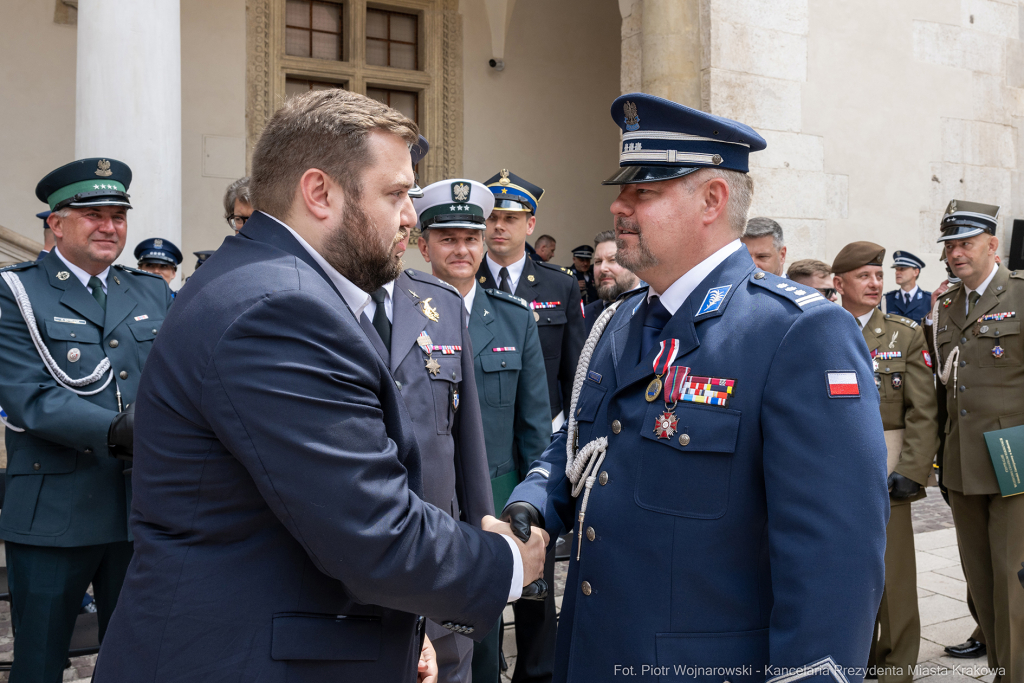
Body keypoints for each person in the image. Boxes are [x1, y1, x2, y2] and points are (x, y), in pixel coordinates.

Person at [93, 89, 547, 683]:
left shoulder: (265, 282)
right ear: (320, 192)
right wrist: (508, 560)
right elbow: (373, 532)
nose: (411, 217)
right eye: (395, 194)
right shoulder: (280, 307)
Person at [502, 92, 889, 682]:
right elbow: (585, 441)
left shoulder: (795, 332)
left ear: (713, 200)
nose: (617, 206)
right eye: (622, 190)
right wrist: (535, 497)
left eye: (643, 192)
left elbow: (834, 559)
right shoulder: (620, 319)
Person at [0, 157, 172, 683]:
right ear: (55, 222)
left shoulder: (150, 291)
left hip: (140, 511)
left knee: (141, 657)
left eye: (118, 216)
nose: (109, 226)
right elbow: (29, 395)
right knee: (40, 661)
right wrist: (118, 430)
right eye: (92, 214)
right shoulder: (16, 293)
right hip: (56, 510)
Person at [414, 178, 552, 683]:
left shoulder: (515, 321)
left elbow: (535, 431)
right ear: (423, 243)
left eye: (471, 237)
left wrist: (532, 514)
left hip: (494, 505)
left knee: (488, 645)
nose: (462, 248)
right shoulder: (396, 318)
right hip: (424, 506)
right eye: (447, 237)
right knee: (423, 636)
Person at [373, 182, 494, 682]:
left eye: (407, 209)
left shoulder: (438, 304)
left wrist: (483, 545)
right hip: (368, 568)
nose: (402, 219)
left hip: (443, 557)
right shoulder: (317, 305)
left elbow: (469, 447)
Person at [476, 168, 581, 683]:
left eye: (510, 219)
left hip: (541, 443)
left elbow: (574, 370)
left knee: (535, 574)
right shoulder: (462, 285)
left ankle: (536, 671)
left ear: (529, 223)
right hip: (487, 440)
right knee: (487, 566)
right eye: (492, 218)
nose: (499, 228)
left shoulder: (560, 286)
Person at [832, 241, 939, 683]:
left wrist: (912, 471)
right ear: (839, 284)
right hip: (832, 476)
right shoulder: (820, 328)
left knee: (894, 579)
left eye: (879, 275)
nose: (876, 282)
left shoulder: (903, 333)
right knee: (841, 573)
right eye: (864, 276)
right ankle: (858, 655)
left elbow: (923, 409)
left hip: (885, 475)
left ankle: (897, 667)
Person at [929, 199, 1024, 683]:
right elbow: (944, 391)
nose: (955, 253)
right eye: (950, 245)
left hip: (1016, 462)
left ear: (993, 245)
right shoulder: (946, 306)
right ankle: (1003, 667)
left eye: (965, 243)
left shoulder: (1021, 295)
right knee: (981, 581)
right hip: (963, 463)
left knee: (1012, 579)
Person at [585, 230, 640, 333]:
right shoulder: (586, 314)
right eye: (598, 261)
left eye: (613, 260)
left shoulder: (650, 309)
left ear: (635, 263)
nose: (602, 268)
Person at [884, 251, 931, 321]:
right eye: (896, 269)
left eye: (902, 269)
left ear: (916, 272)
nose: (897, 272)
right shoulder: (886, 300)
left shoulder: (929, 300)